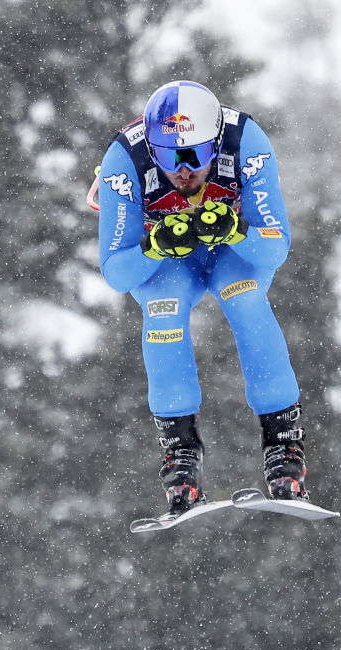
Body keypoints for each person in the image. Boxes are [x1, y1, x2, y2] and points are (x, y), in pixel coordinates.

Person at [94, 80, 308, 514]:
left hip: (234, 250)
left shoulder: (245, 140)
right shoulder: (124, 159)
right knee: (163, 311)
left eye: (196, 154)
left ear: (216, 142)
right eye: (171, 156)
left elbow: (275, 246)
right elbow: (117, 272)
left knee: (246, 299)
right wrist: (153, 245)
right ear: (152, 150)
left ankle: (284, 445)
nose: (185, 170)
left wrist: (237, 229)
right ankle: (180, 452)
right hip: (171, 262)